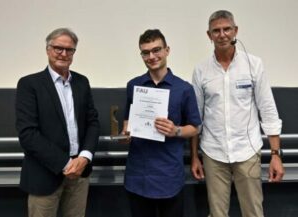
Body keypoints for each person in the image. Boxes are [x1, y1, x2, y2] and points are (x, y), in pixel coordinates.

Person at [191, 10, 285, 217]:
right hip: (213, 152)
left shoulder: (254, 64)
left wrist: (276, 155)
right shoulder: (201, 70)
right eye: (216, 31)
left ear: (235, 31)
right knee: (217, 214)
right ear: (209, 35)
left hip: (247, 152)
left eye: (227, 29)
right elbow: (196, 118)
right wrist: (194, 157)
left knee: (253, 212)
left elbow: (268, 110)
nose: (222, 34)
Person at [15, 28, 100, 217]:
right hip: (44, 176)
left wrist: (84, 158)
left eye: (69, 50)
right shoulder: (29, 85)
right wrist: (66, 163)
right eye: (58, 48)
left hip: (79, 174)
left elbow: (92, 122)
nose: (63, 53)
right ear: (47, 50)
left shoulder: (82, 82)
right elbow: (28, 134)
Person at [121, 29, 201, 217]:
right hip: (138, 174)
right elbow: (128, 120)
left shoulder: (184, 89)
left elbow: (195, 127)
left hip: (169, 175)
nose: (152, 56)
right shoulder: (134, 85)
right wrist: (126, 133)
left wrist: (176, 131)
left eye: (156, 50)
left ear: (167, 50)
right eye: (146, 52)